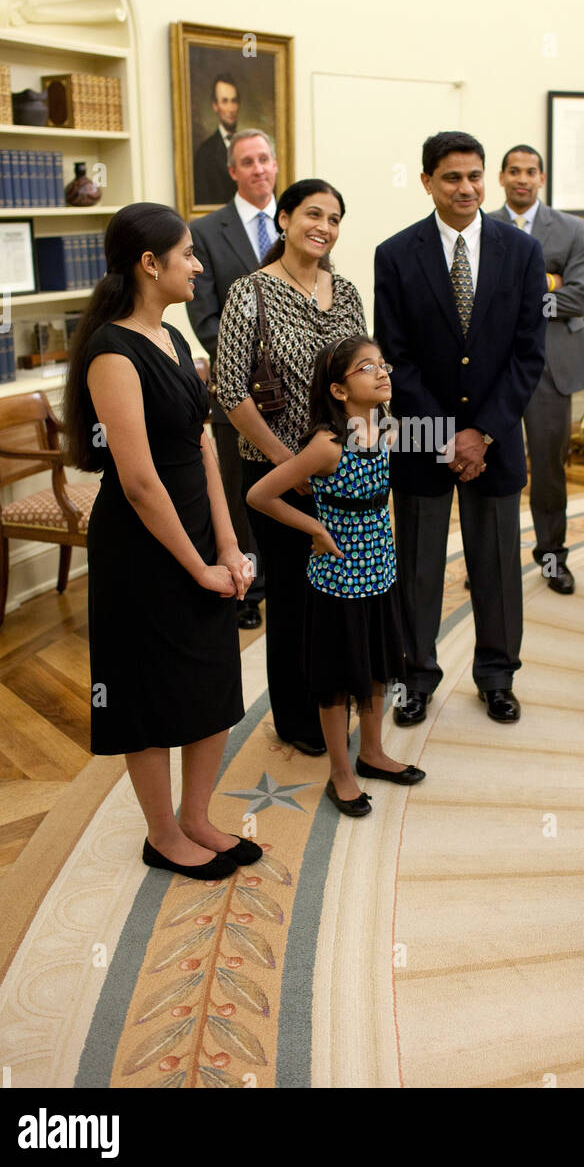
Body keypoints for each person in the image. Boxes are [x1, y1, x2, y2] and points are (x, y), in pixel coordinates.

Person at [62, 202, 261, 880]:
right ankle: (163, 834)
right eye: (188, 254)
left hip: (200, 534)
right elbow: (140, 481)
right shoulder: (111, 352)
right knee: (146, 694)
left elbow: (203, 447)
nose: (200, 265)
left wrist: (228, 548)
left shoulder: (176, 341)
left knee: (212, 680)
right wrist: (196, 567)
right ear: (151, 264)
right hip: (143, 553)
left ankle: (198, 816)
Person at [374, 131, 546, 728]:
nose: (466, 188)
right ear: (427, 182)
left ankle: (497, 677)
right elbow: (395, 356)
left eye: (474, 176)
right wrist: (448, 434)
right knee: (418, 565)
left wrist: (484, 433)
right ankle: (415, 677)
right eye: (452, 177)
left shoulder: (522, 253)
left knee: (496, 565)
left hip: (495, 437)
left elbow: (529, 355)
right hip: (423, 439)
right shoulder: (394, 255)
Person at [215, 178, 367, 755]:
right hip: (274, 474)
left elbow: (361, 377)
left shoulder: (348, 293)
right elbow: (231, 392)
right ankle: (298, 720)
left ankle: (336, 702)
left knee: (339, 594)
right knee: (295, 599)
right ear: (283, 219)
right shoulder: (249, 293)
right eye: (312, 214)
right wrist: (289, 461)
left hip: (340, 468)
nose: (323, 227)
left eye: (333, 218)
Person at [247, 336, 425, 816]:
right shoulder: (325, 445)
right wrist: (315, 529)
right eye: (367, 367)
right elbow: (260, 496)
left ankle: (372, 752)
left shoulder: (385, 430)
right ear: (340, 391)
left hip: (380, 572)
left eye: (383, 363)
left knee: (376, 668)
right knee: (338, 679)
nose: (382, 372)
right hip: (339, 580)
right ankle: (341, 774)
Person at [488, 144, 584, 595]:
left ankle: (552, 558)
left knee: (550, 470)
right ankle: (490, 562)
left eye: (530, 171)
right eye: (513, 171)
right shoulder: (482, 225)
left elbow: (578, 297)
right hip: (494, 369)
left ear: (542, 178)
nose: (522, 178)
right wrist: (547, 282)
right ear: (501, 177)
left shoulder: (571, 229)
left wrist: (520, 296)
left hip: (551, 369)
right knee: (493, 466)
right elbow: (476, 295)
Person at [189, 129, 280, 628]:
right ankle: (249, 587)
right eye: (248, 162)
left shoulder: (293, 222)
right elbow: (206, 319)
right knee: (241, 491)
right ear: (233, 172)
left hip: (295, 398)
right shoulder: (205, 231)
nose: (258, 169)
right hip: (237, 391)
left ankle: (286, 571)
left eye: (265, 159)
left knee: (288, 483)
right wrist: (256, 367)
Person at [194, 74, 240, 205]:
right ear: (215, 106)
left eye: (234, 101)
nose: (230, 108)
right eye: (225, 101)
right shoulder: (205, 152)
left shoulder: (249, 148)